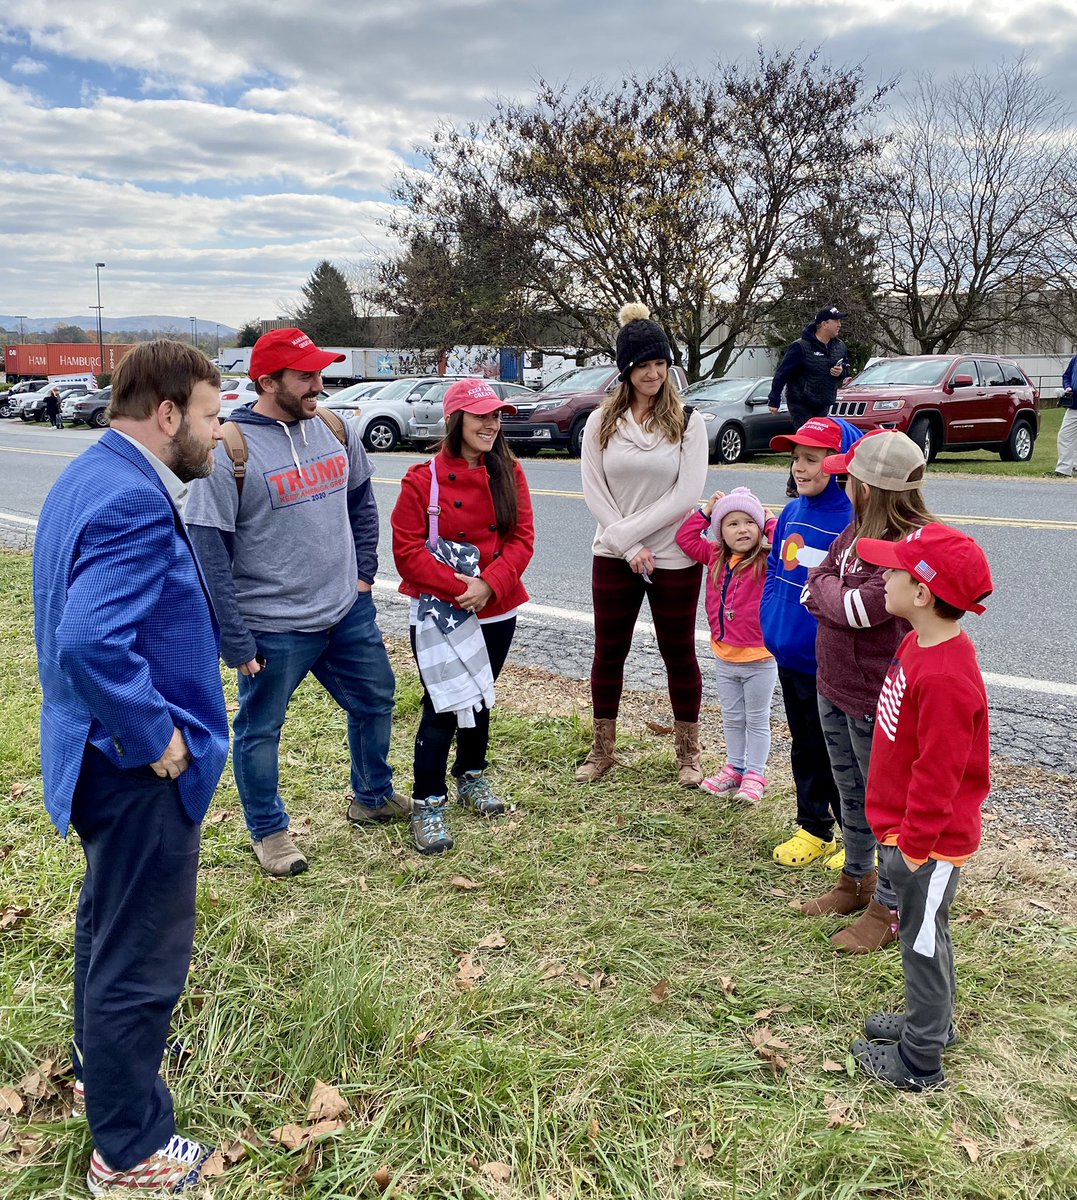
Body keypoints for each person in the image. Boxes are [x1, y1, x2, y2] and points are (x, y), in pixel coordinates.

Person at [32, 340, 230, 1194]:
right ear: (168, 414)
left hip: (86, 754)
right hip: (128, 764)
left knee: (107, 924)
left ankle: (100, 1068)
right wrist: (159, 737)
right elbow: (88, 640)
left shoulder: (88, 473)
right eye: (215, 418)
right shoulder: (133, 501)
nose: (220, 437)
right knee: (140, 955)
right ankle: (129, 1149)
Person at [185, 327, 403, 877]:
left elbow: (361, 503)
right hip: (273, 627)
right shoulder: (229, 449)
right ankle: (269, 832)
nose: (318, 384)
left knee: (376, 698)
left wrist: (363, 577)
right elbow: (208, 549)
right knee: (261, 728)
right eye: (305, 376)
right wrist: (233, 636)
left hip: (345, 611)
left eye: (319, 372)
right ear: (267, 381)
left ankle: (372, 795)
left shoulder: (334, 428)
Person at [849, 523, 993, 1091]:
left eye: (894, 570)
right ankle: (931, 1022)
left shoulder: (947, 677)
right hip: (906, 834)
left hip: (926, 844)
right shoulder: (918, 642)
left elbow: (940, 775)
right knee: (928, 933)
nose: (883, 575)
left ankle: (920, 1060)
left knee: (923, 943)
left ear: (923, 593)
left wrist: (910, 849)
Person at [797, 431, 934, 953]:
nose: (842, 483)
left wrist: (829, 592)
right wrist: (831, 591)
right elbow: (816, 583)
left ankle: (890, 907)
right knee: (849, 791)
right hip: (832, 683)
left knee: (886, 807)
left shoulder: (909, 546)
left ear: (870, 488)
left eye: (848, 477)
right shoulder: (854, 532)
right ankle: (856, 880)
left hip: (881, 698)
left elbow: (863, 610)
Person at [391, 379, 535, 853]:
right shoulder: (421, 478)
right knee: (443, 704)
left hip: (496, 607)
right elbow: (407, 552)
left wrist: (490, 584)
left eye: (496, 416)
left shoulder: (509, 472)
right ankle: (428, 800)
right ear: (456, 421)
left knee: (481, 696)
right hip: (439, 611)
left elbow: (522, 540)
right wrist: (461, 589)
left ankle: (471, 775)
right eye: (481, 416)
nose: (491, 424)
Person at [578, 303, 710, 786]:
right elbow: (594, 491)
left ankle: (689, 754)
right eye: (642, 366)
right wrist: (627, 546)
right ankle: (602, 749)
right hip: (613, 556)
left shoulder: (689, 421)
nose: (653, 374)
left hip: (674, 556)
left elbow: (686, 495)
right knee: (609, 651)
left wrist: (630, 536)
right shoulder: (600, 423)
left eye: (660, 364)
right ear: (626, 371)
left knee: (679, 652)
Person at [759, 416, 861, 865]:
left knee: (844, 753)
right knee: (805, 744)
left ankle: (859, 840)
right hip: (790, 654)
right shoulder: (793, 510)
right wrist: (770, 622)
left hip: (830, 663)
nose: (800, 468)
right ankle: (813, 827)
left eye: (812, 459)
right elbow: (774, 574)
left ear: (839, 466)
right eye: (796, 458)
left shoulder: (853, 520)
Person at [676, 486, 778, 803]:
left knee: (757, 718)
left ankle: (755, 775)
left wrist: (771, 519)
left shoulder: (767, 560)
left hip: (760, 658)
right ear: (720, 531)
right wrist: (705, 513)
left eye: (750, 521)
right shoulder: (714, 556)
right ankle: (735, 767)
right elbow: (686, 539)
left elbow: (790, 547)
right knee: (732, 716)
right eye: (732, 523)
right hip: (725, 656)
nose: (742, 529)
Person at [768, 306, 850, 497]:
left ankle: (799, 483)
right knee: (806, 442)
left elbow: (845, 367)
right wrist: (773, 399)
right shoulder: (801, 347)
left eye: (840, 321)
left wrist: (841, 372)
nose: (839, 325)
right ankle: (797, 484)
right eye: (836, 321)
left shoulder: (840, 346)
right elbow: (781, 374)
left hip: (824, 400)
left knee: (817, 444)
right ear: (824, 324)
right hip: (801, 401)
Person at [1049, 357, 1077, 477]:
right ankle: (1064, 470)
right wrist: (1068, 386)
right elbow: (1067, 375)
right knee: (1065, 436)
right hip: (1074, 406)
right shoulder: (1075, 359)